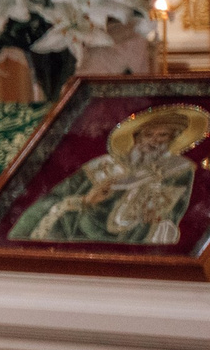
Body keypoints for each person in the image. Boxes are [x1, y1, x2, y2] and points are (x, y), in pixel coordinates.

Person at [11, 103, 206, 245]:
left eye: (162, 135)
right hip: (82, 231)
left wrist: (157, 217)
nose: (153, 141)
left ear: (172, 139)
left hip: (138, 238)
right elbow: (55, 197)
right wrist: (86, 200)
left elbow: (174, 210)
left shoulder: (179, 169)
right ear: (136, 137)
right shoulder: (103, 166)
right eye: (148, 134)